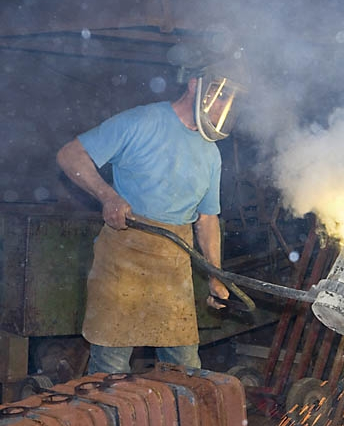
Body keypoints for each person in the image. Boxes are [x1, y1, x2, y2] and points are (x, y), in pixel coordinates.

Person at [57, 59, 247, 374]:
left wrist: (215, 275)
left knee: (185, 369)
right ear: (195, 86)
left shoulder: (210, 152)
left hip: (174, 266)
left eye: (231, 99)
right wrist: (109, 196)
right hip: (123, 260)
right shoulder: (141, 122)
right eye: (220, 94)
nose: (224, 106)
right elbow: (70, 155)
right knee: (111, 372)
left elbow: (207, 219)